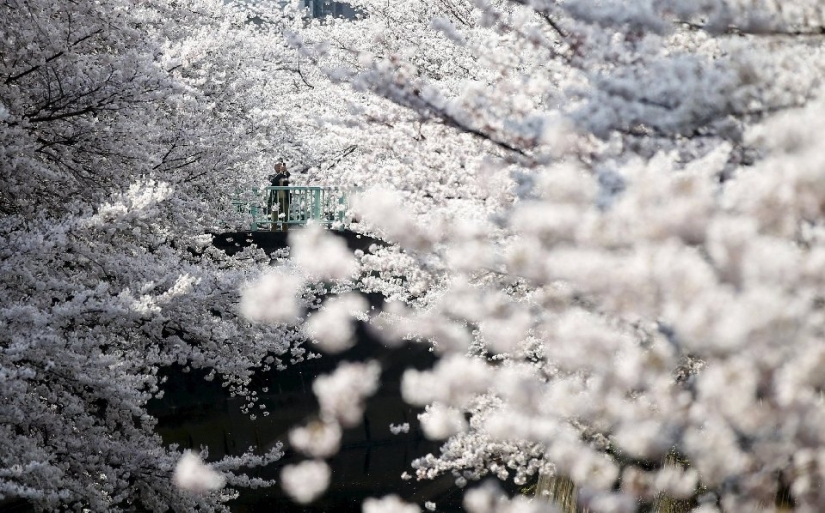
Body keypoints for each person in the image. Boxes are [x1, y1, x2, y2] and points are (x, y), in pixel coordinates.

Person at [267, 162, 290, 231]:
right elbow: (273, 181)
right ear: (274, 168)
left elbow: (290, 179)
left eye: (280, 166)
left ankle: (285, 229)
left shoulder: (285, 176)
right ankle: (273, 229)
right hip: (275, 198)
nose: (279, 168)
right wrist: (280, 173)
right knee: (274, 214)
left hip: (285, 197)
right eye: (277, 167)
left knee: (285, 214)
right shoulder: (271, 176)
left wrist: (286, 171)